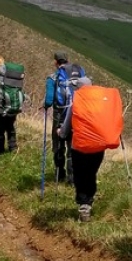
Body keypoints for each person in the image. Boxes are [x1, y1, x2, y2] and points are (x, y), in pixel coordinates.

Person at [55, 75, 102, 222]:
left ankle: (84, 206)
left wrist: (59, 132)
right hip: (98, 147)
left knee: (80, 175)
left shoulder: (75, 104)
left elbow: (65, 130)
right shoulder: (102, 103)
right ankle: (90, 199)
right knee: (91, 173)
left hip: (80, 147)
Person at [41, 52, 75, 182]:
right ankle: (71, 178)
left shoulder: (52, 78)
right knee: (72, 146)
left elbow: (49, 100)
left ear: (56, 62)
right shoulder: (76, 76)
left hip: (59, 115)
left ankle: (59, 173)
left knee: (58, 144)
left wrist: (45, 105)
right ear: (68, 60)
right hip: (74, 115)